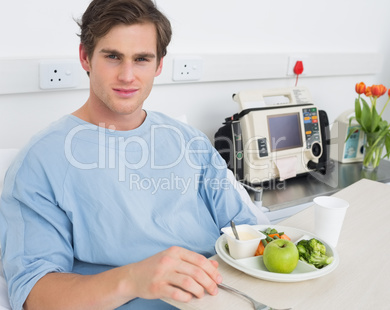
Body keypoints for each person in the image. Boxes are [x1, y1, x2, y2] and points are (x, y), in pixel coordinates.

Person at [0, 0, 263, 309]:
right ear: (86, 57)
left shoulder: (190, 142)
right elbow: (35, 294)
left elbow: (246, 234)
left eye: (141, 59)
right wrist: (135, 278)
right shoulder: (42, 161)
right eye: (113, 56)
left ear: (159, 64)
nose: (127, 75)